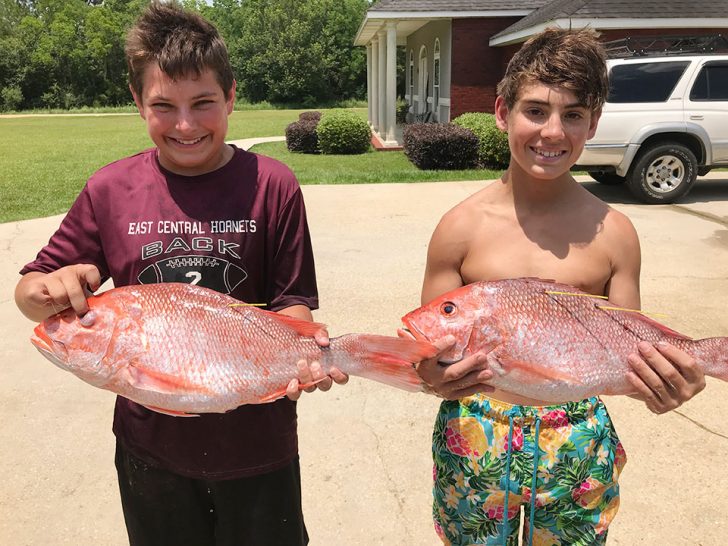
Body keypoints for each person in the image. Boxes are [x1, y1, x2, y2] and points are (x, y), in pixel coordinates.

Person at [14, 2, 344, 544]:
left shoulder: (273, 184)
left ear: (232, 96)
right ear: (137, 102)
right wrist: (43, 290)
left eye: (204, 103)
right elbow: (33, 288)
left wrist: (303, 356)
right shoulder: (109, 190)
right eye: (164, 105)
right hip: (151, 449)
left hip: (257, 443)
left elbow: (292, 303)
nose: (185, 124)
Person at [410, 28, 707, 545]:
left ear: (593, 122)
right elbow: (425, 357)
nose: (552, 132)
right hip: (475, 433)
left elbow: (627, 354)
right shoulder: (460, 228)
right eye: (536, 110)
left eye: (573, 114)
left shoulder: (615, 234)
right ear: (502, 112)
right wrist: (433, 376)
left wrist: (664, 386)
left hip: (578, 439)